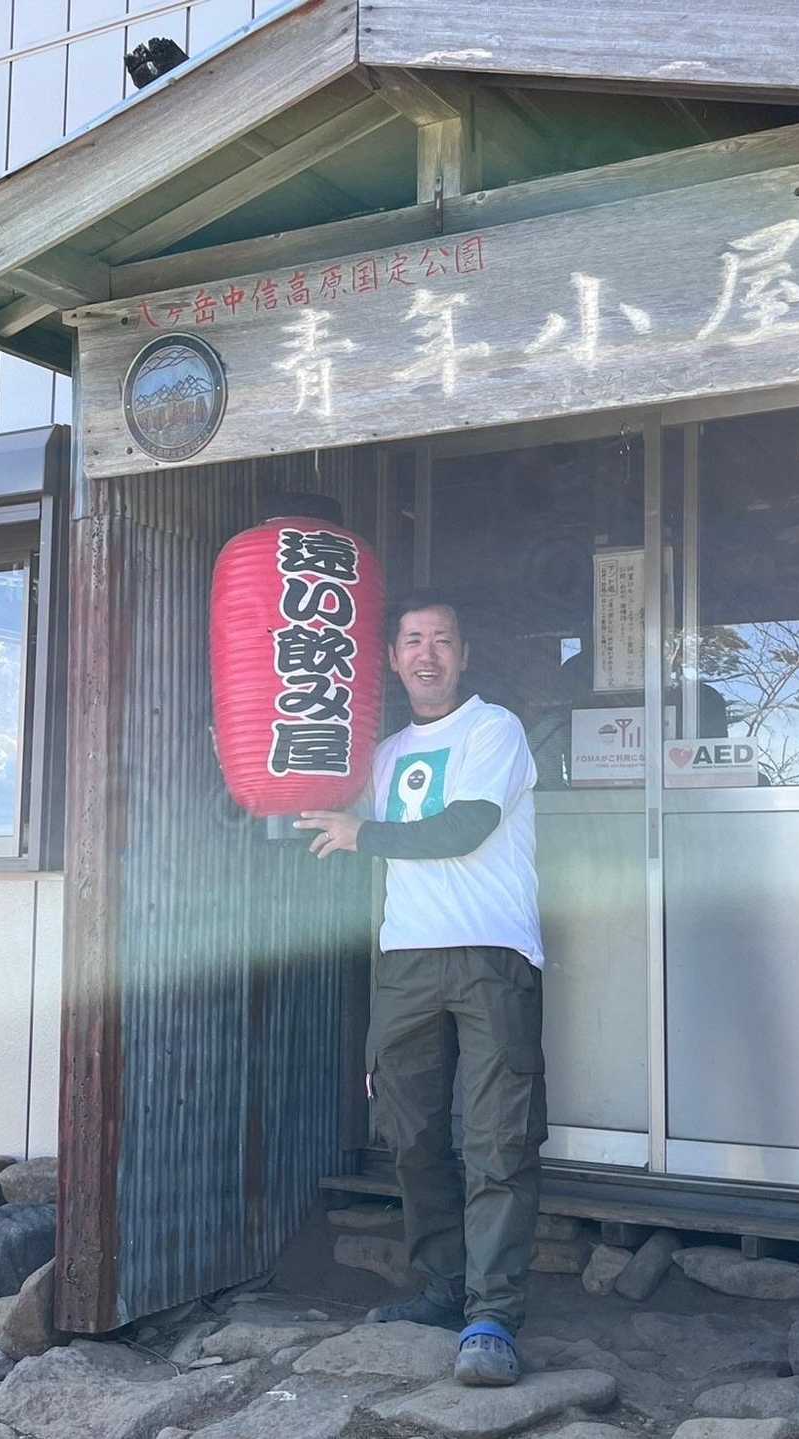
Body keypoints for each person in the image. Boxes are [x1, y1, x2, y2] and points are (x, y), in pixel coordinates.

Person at [295, 589, 547, 1388]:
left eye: (441, 638)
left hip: (491, 952)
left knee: (498, 1137)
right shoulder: (383, 754)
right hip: (404, 957)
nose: (427, 653)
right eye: (412, 640)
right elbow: (320, 813)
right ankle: (441, 1288)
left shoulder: (493, 729)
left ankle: (492, 1314)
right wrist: (255, 756)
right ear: (393, 658)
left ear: (463, 655)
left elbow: (465, 826)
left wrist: (365, 833)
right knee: (409, 1134)